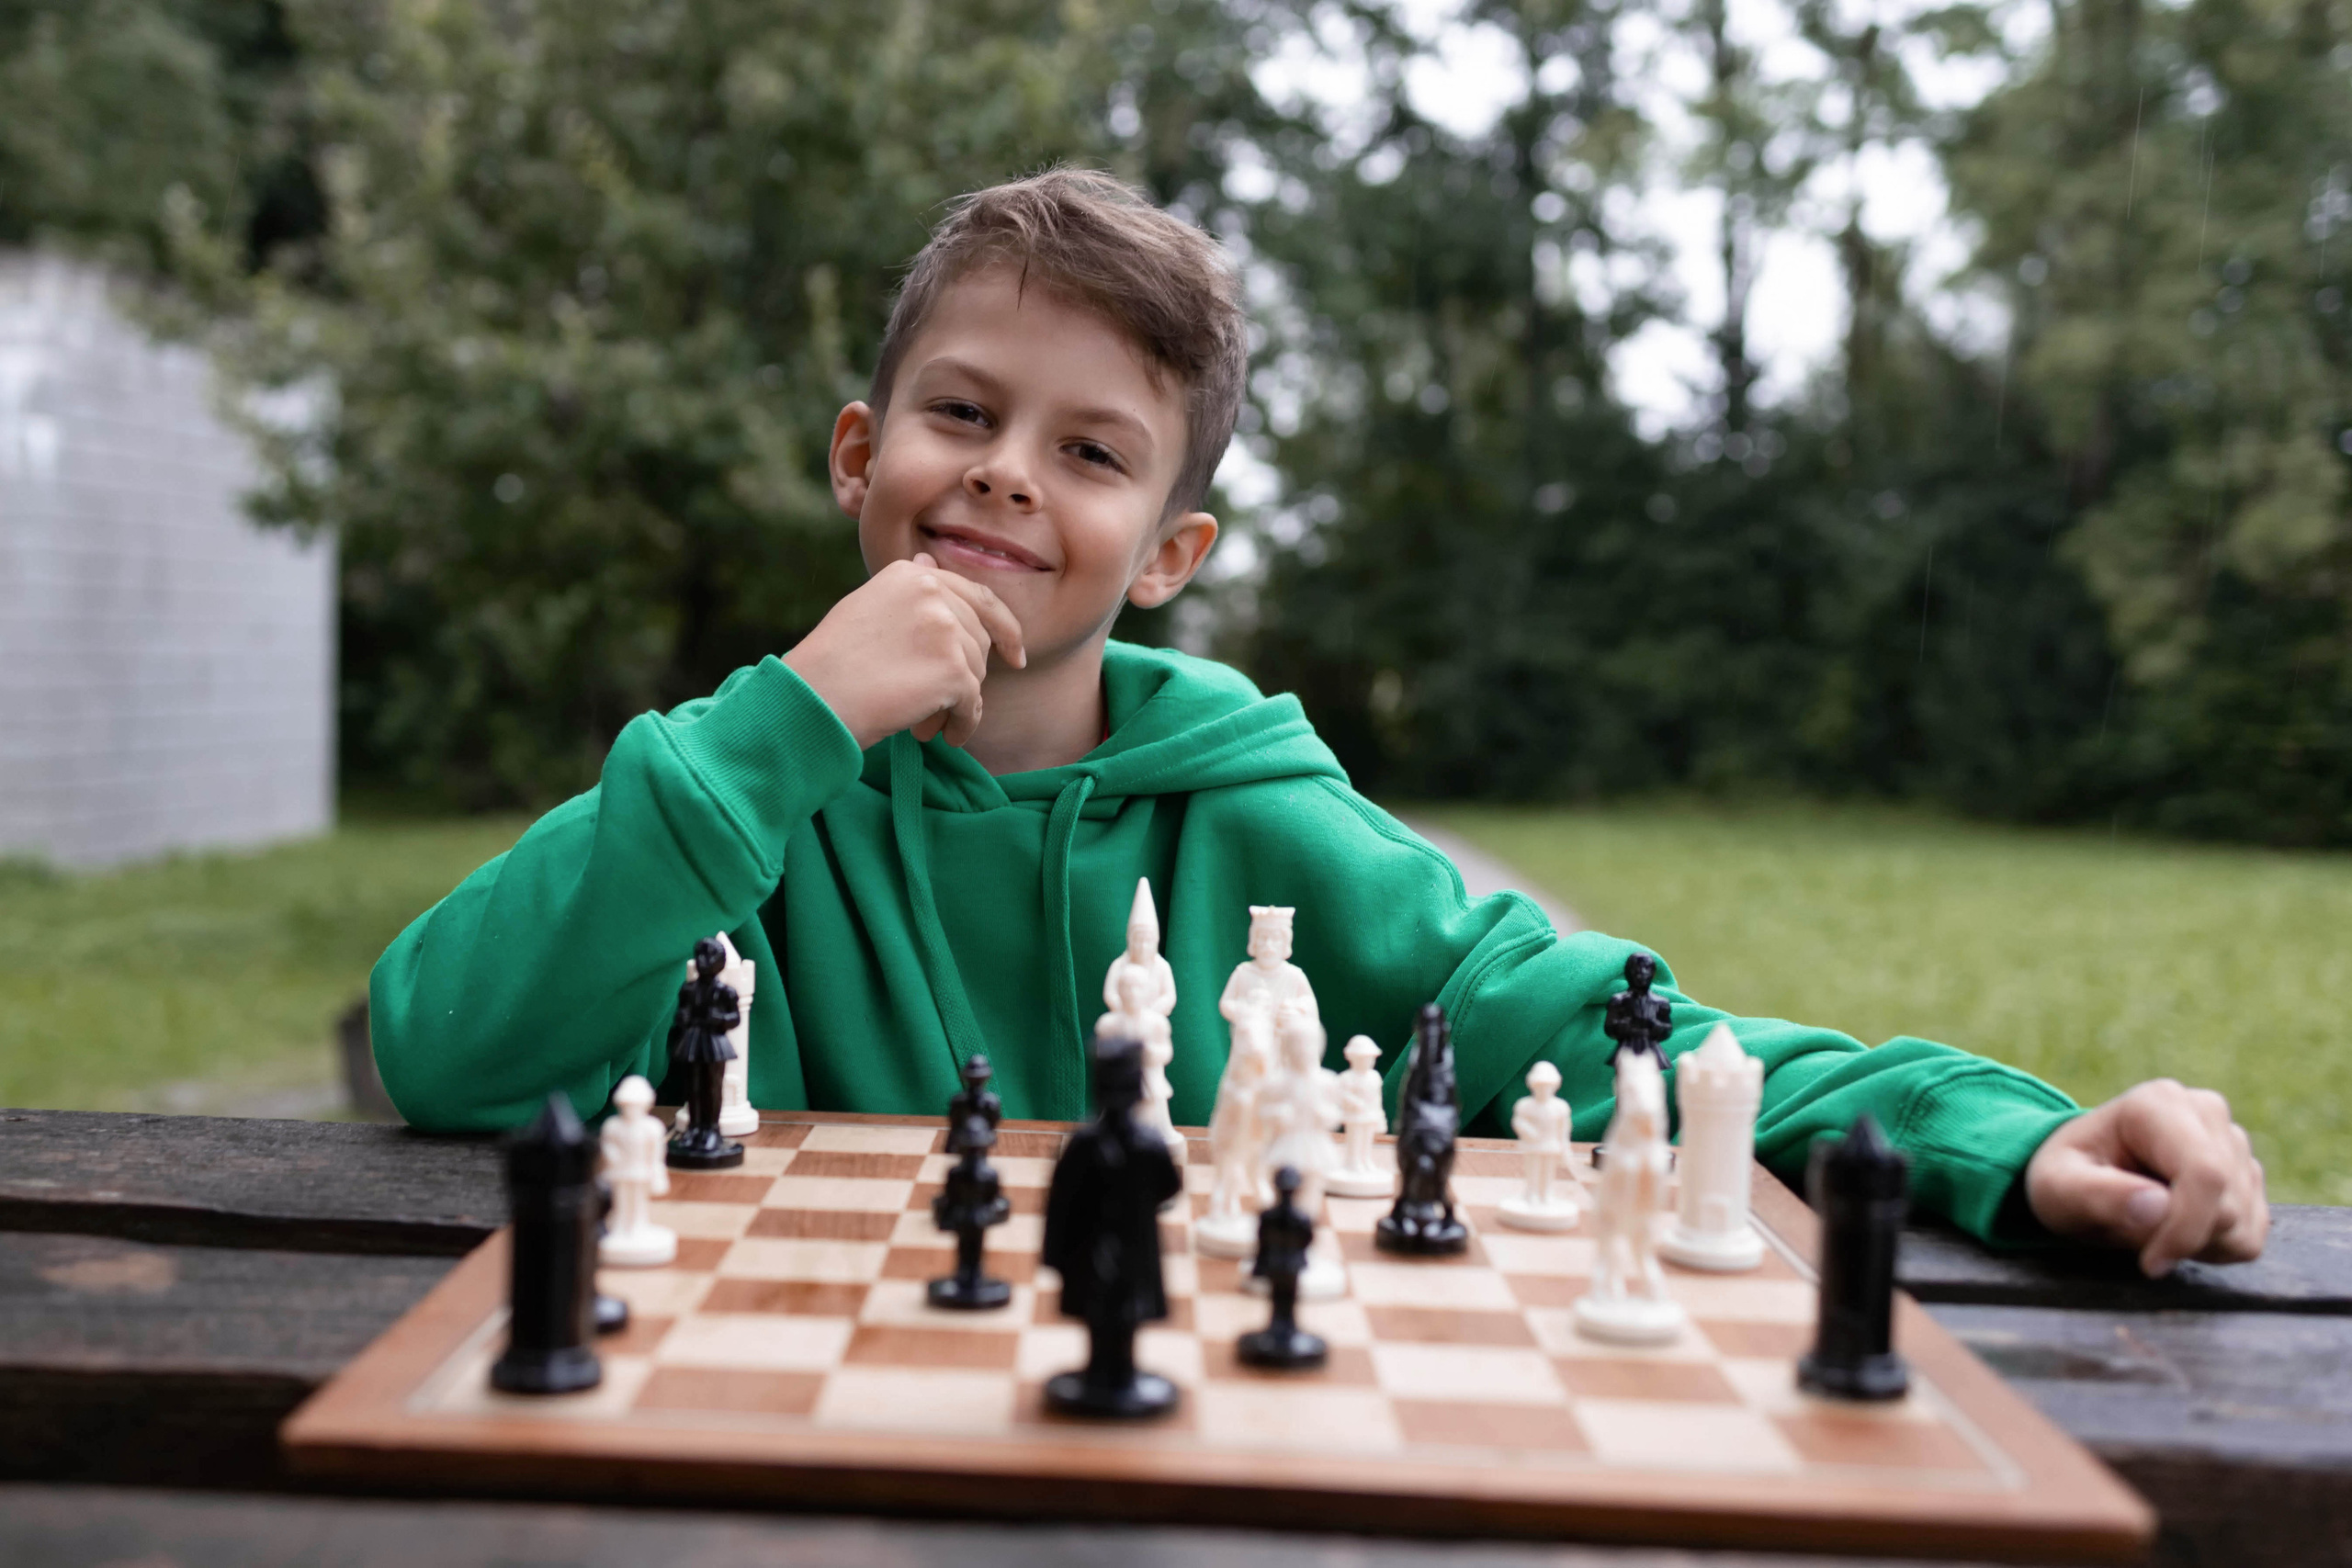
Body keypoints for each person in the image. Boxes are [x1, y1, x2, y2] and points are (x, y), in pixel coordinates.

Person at [368, 168, 2265, 1280]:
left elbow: (1620, 1029)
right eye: (961, 414)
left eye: (1090, 450)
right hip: (801, 1452)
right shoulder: (734, 786)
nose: (1009, 476)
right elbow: (436, 1041)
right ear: (860, 457)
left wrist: (1999, 1141)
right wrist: (789, 720)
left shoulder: (1261, 821)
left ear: (1170, 549)